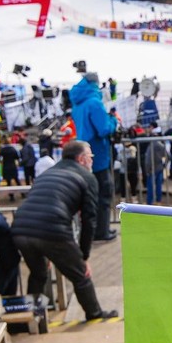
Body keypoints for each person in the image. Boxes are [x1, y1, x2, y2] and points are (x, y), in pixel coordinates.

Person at [10, 140, 118, 320]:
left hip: (20, 228)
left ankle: (29, 318)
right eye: (90, 156)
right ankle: (95, 314)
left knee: (38, 273)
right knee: (80, 274)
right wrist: (83, 256)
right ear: (82, 159)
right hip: (52, 229)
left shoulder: (49, 172)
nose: (92, 160)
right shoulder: (87, 177)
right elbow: (89, 220)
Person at [70, 72, 119, 241]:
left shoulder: (78, 102)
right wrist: (113, 121)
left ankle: (92, 230)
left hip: (83, 153)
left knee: (90, 196)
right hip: (97, 155)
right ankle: (102, 231)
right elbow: (103, 129)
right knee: (104, 193)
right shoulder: (94, 103)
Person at [143, 129, 167, 204]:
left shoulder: (150, 146)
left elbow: (148, 159)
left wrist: (147, 170)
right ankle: (158, 201)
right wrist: (164, 165)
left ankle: (150, 203)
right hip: (159, 168)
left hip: (151, 169)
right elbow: (168, 156)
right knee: (158, 186)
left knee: (150, 187)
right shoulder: (161, 145)